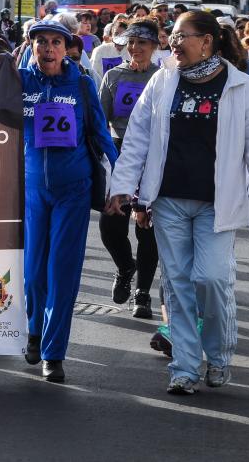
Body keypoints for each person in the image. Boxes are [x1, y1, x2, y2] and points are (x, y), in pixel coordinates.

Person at [106, 10, 249, 395]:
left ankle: (218, 356)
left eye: (182, 35)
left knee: (212, 278)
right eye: (174, 35)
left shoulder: (242, 88)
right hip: (168, 200)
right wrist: (122, 187)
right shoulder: (164, 79)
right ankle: (184, 367)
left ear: (206, 42)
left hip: (217, 204)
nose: (173, 42)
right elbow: (138, 137)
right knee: (179, 284)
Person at [21, 20, 118, 383]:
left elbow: (100, 135)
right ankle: (33, 330)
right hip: (31, 191)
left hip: (73, 190)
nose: (48, 48)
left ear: (66, 48)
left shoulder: (81, 83)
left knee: (62, 272)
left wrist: (118, 184)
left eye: (55, 42)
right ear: (31, 46)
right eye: (41, 41)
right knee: (32, 274)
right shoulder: (18, 82)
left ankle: (54, 352)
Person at [97, 19, 161, 318]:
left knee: (147, 227)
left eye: (142, 43)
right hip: (119, 151)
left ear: (155, 46)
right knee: (110, 226)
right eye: (131, 42)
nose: (135, 48)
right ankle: (125, 267)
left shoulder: (163, 78)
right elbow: (100, 122)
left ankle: (143, 292)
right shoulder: (113, 75)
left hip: (152, 155)